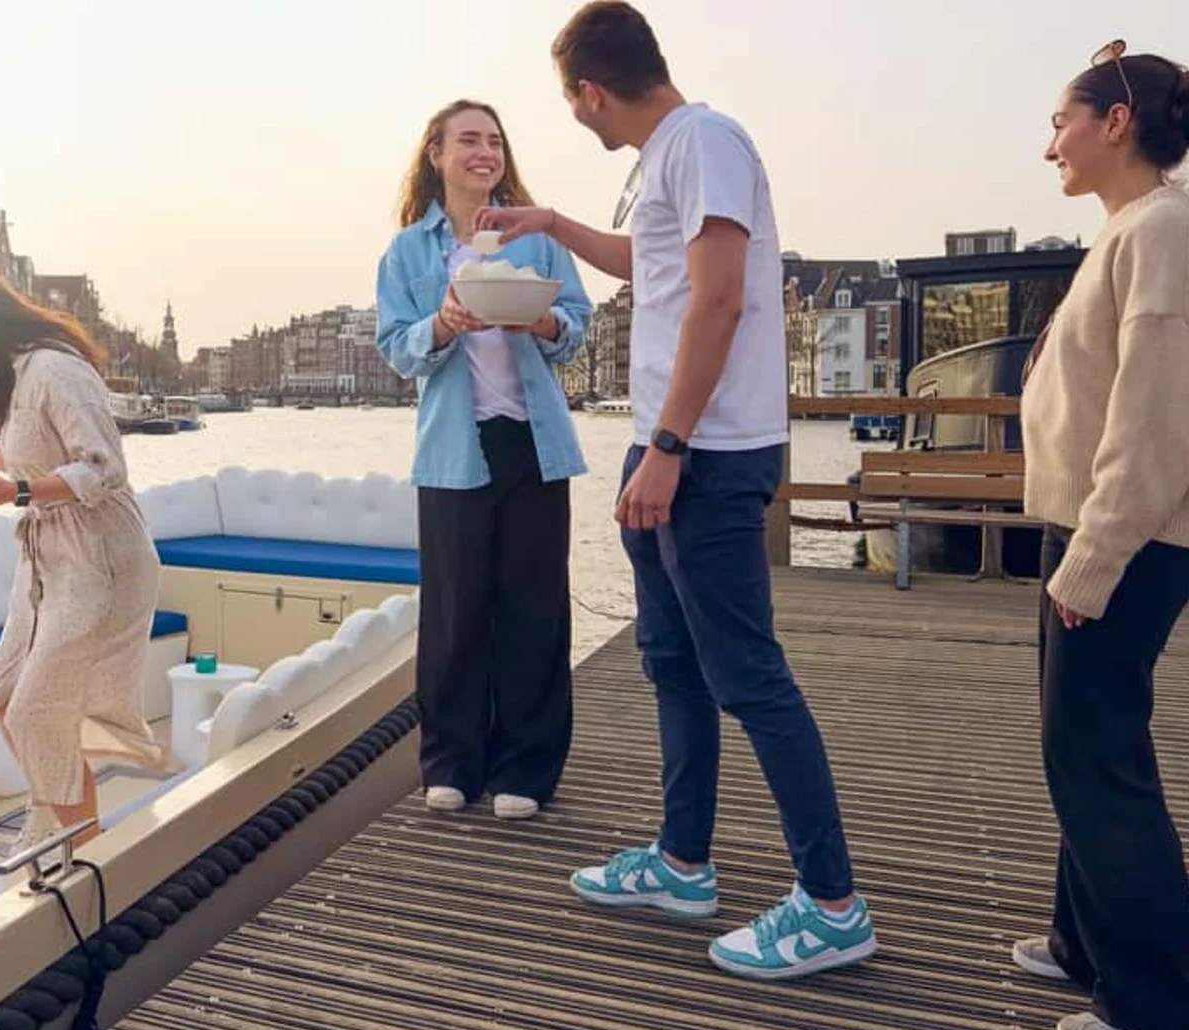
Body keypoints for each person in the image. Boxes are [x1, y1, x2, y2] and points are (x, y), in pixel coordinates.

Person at [481, 0, 873, 980]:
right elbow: (649, 266)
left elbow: (721, 294)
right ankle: (682, 861)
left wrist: (666, 445)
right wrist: (550, 223)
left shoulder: (704, 140)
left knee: (748, 673)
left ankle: (833, 904)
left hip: (705, 451)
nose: (579, 119)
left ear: (589, 90)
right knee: (671, 659)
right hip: (670, 447)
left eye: (573, 103)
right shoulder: (663, 159)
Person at [1012, 43, 1189, 1030]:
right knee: (1077, 745)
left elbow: (1155, 417)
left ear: (1115, 122)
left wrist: (1095, 557)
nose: (1051, 148)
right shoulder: (1131, 228)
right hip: (1091, 528)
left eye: (1061, 122)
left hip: (1125, 538)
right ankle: (1087, 942)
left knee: (1098, 756)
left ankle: (1157, 1007)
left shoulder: (1162, 229)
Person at [374, 99, 592, 821]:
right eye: (468, 140)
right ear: (435, 153)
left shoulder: (537, 240)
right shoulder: (408, 253)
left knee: (533, 610)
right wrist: (441, 324)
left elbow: (578, 329)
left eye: (494, 140)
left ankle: (526, 770)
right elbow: (395, 348)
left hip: (532, 442)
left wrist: (544, 318)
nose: (484, 152)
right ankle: (451, 763)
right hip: (451, 450)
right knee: (454, 612)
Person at [0, 271, 164, 847]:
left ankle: (86, 855)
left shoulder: (57, 371)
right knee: (3, 698)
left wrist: (14, 493)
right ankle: (53, 817)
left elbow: (102, 468)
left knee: (38, 712)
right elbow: (26, 457)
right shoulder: (21, 376)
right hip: (48, 563)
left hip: (100, 561)